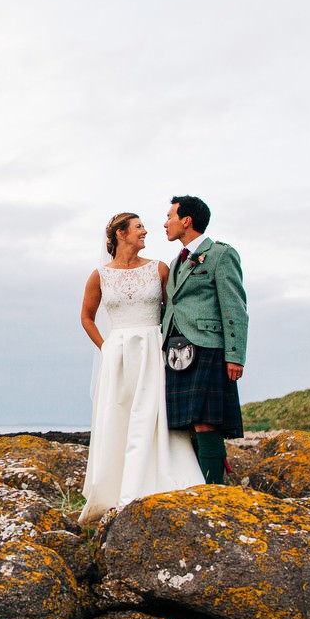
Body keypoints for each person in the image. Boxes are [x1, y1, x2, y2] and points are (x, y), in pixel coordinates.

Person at [78, 212, 203, 525]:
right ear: (121, 234)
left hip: (152, 348)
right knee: (119, 416)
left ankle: (151, 483)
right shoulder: (99, 275)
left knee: (151, 413)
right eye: (138, 227)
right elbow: (87, 317)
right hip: (118, 355)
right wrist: (106, 348)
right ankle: (115, 488)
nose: (145, 231)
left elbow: (175, 307)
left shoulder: (158, 268)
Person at [162, 195, 248, 484]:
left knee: (205, 421)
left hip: (208, 347)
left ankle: (213, 488)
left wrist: (235, 355)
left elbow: (235, 307)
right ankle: (197, 483)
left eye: (170, 217)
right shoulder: (175, 262)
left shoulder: (221, 255)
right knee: (186, 424)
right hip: (176, 352)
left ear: (186, 220)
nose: (165, 223)